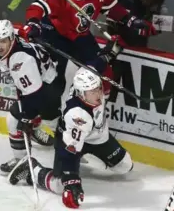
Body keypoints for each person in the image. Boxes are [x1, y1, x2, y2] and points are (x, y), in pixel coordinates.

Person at [19, 0, 158, 100]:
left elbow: (113, 9)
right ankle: (49, 115)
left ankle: (97, 109)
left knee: (102, 72)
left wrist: (131, 21)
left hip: (80, 35)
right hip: (57, 34)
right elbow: (38, 5)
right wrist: (33, 23)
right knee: (54, 80)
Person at [8, 67, 133, 209]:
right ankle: (33, 171)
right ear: (81, 94)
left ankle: (88, 158)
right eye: (92, 91)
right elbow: (70, 151)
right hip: (68, 141)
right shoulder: (77, 115)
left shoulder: (89, 87)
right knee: (60, 185)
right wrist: (71, 180)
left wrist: (107, 55)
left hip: (97, 138)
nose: (98, 94)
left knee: (125, 166)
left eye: (98, 88)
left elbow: (94, 64)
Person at [0, 19, 59, 174]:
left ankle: (22, 161)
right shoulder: (14, 46)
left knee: (14, 120)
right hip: (49, 84)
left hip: (48, 92)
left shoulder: (19, 60)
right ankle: (40, 131)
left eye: (2, 41)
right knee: (57, 124)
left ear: (11, 38)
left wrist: (27, 118)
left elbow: (36, 96)